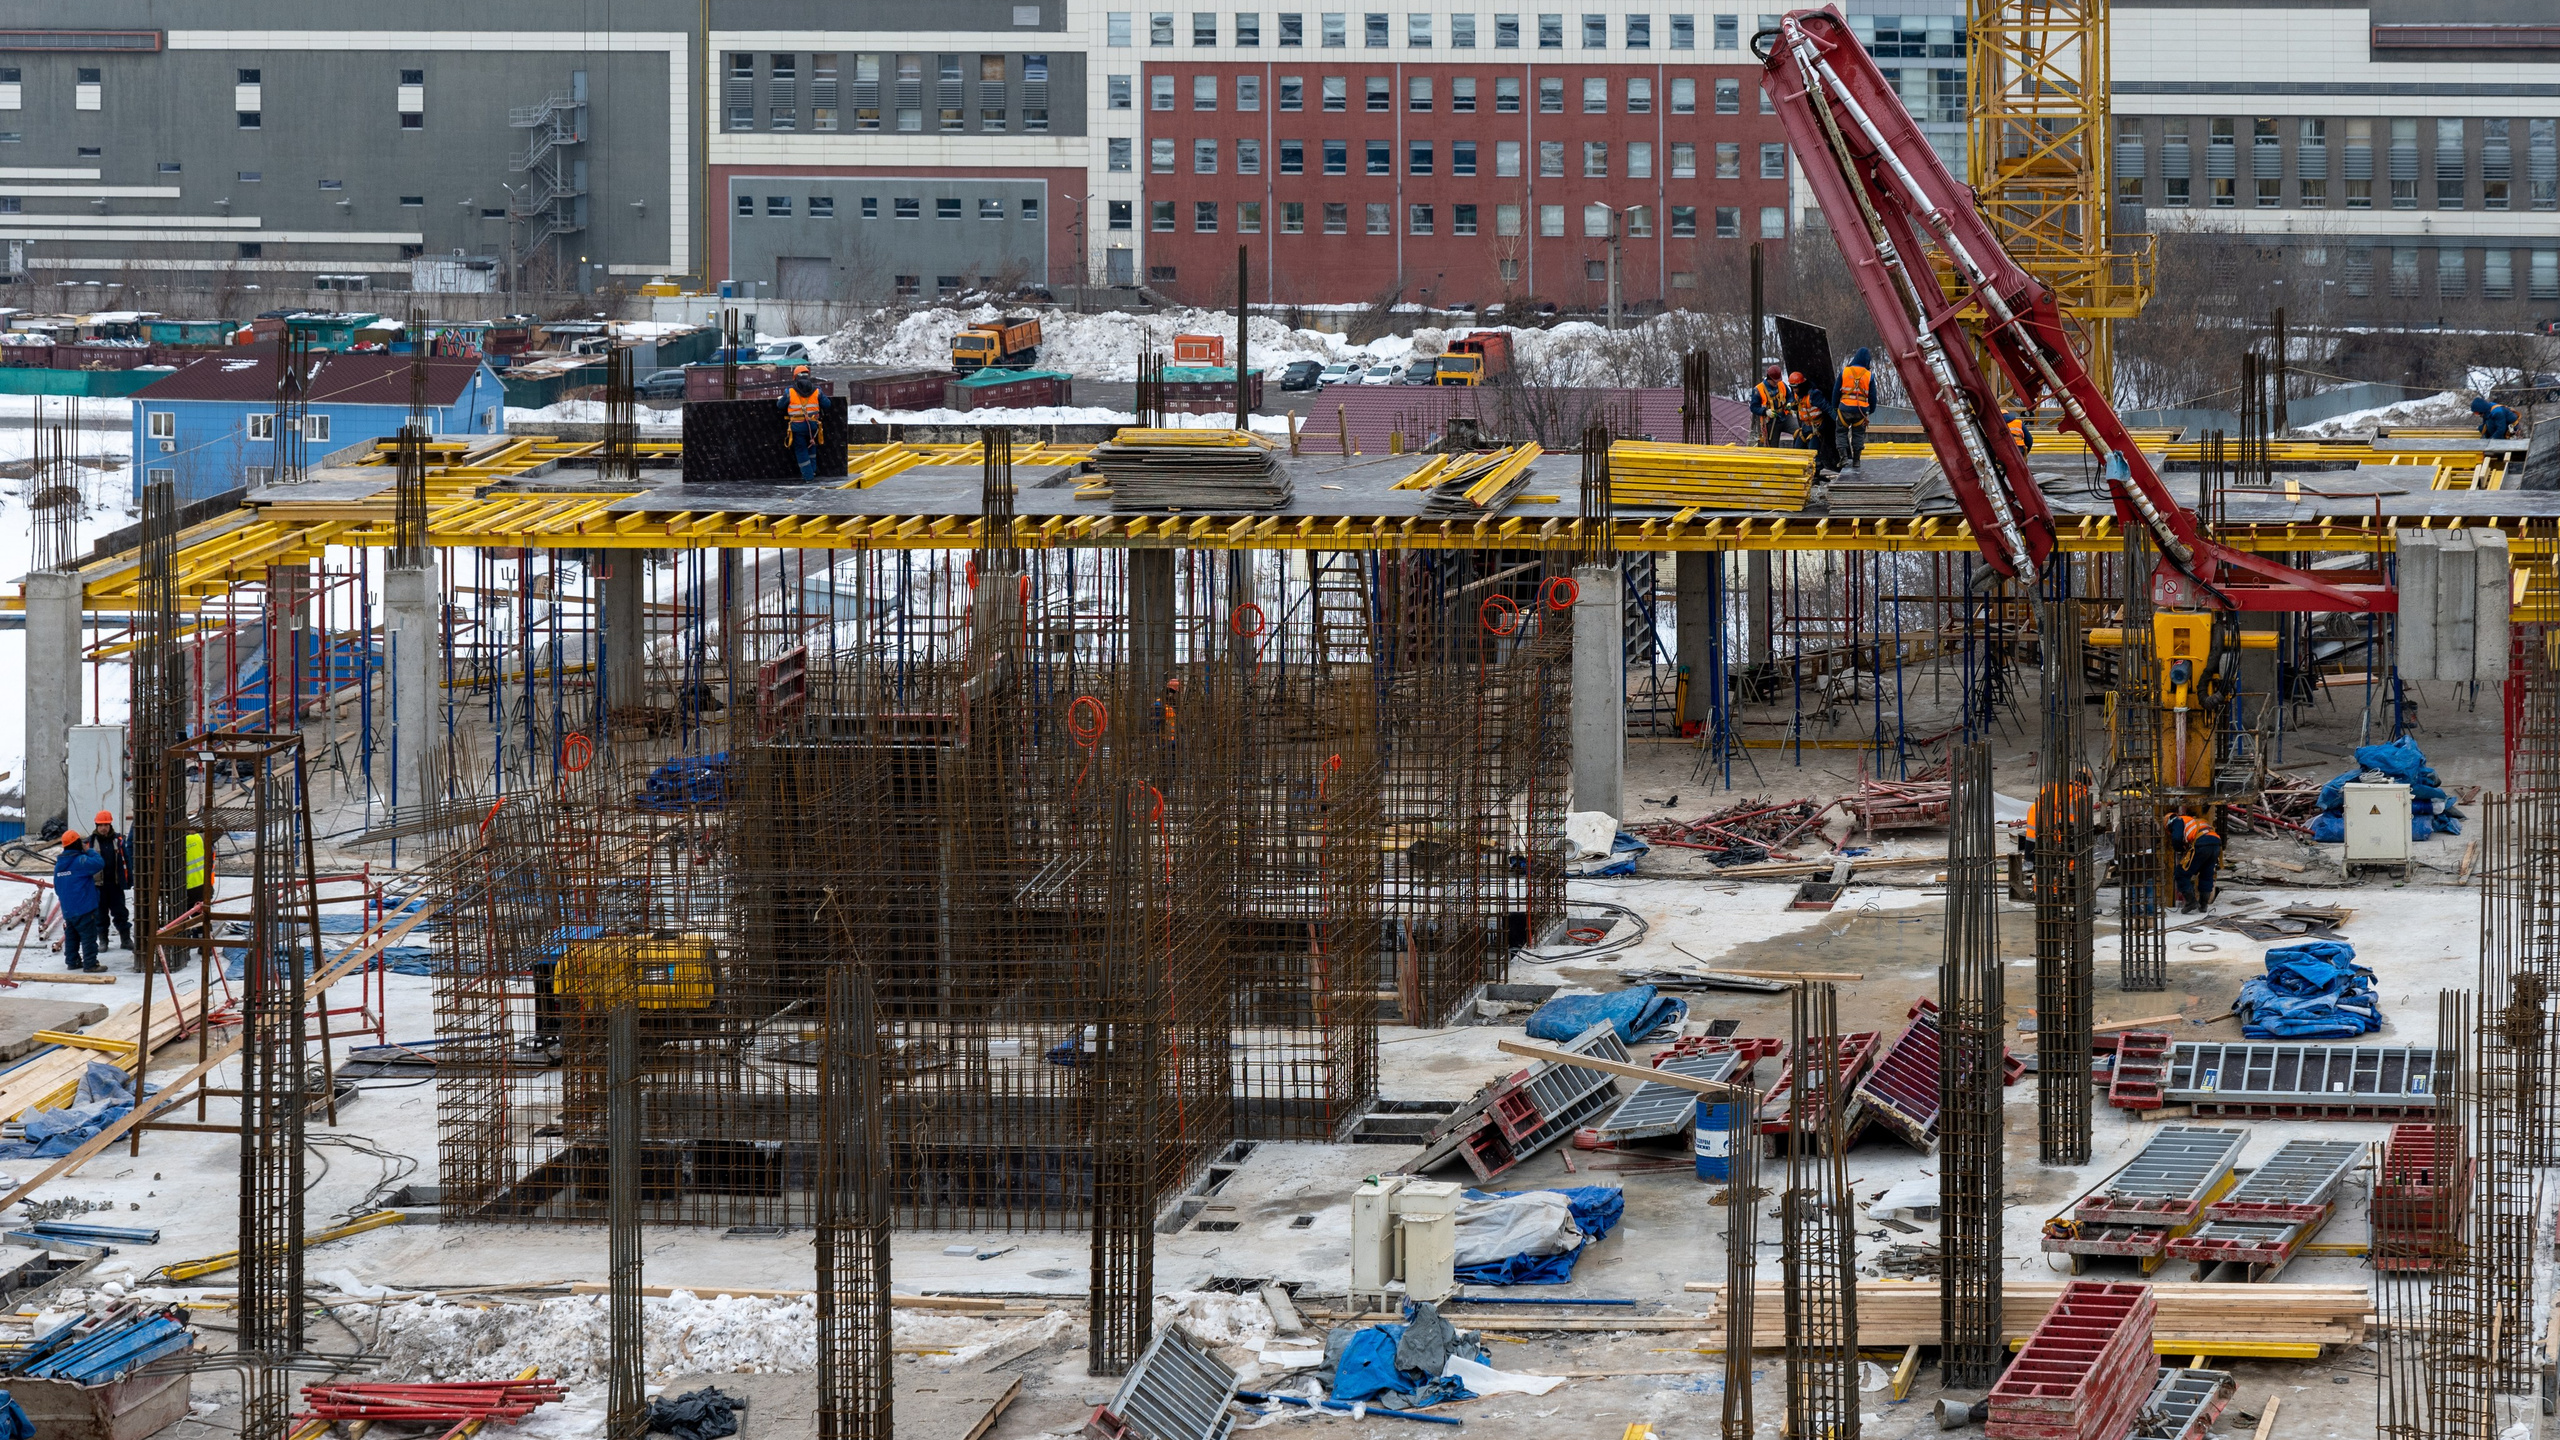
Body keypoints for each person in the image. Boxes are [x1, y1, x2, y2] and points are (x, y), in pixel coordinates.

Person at [52, 832, 105, 974]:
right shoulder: (80, 861)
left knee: (72, 936)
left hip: (68, 909)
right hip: (84, 907)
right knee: (88, 937)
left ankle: (72, 961)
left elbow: (57, 887)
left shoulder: (59, 865)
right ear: (77, 844)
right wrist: (89, 850)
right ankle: (90, 964)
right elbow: (99, 863)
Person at [2165, 808, 2223, 914]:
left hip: (2202, 844)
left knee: (2181, 874)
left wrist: (2179, 849)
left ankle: (2191, 902)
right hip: (2216, 844)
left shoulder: (2177, 820)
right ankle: (2203, 904)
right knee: (2206, 874)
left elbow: (2176, 838)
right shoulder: (2194, 821)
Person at [89, 811, 131, 953]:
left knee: (121, 913)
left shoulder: (118, 841)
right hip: (98, 886)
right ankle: (103, 940)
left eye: (106, 825)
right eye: (101, 825)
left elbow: (126, 861)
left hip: (115, 885)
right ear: (96, 826)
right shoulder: (90, 843)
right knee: (100, 915)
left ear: (110, 825)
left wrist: (128, 880)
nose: (103, 828)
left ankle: (126, 939)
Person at [780, 366, 825, 479]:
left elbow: (780, 405)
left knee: (801, 451)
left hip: (798, 426)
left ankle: (808, 477)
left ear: (795, 377)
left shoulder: (790, 391)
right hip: (813, 425)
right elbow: (827, 404)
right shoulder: (817, 390)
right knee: (811, 447)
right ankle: (813, 471)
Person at [1836, 348, 1874, 468]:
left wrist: (1835, 406)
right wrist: (1871, 409)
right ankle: (1856, 460)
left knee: (1841, 432)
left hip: (1844, 409)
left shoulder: (1845, 371)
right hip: (1860, 411)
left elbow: (1836, 391)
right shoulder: (1869, 375)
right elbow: (1873, 396)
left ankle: (1843, 458)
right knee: (1858, 434)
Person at [1750, 365, 1793, 448]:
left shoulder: (1781, 384)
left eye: (1778, 381)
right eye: (1774, 382)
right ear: (1769, 379)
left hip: (1784, 416)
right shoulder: (1758, 390)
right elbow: (1753, 408)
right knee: (1772, 447)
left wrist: (1789, 403)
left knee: (1799, 432)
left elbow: (1789, 395)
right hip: (1771, 422)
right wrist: (1765, 412)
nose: (1776, 383)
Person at [1790, 373, 1830, 454]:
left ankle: (1818, 461)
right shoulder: (1797, 395)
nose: (1794, 390)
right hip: (1805, 427)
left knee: (1813, 452)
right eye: (1792, 388)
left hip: (1816, 427)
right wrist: (1792, 406)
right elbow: (1796, 405)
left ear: (1801, 386)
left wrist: (1838, 420)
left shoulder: (1814, 395)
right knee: (1797, 449)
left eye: (1795, 388)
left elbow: (1828, 408)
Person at [1151, 675, 1182, 739]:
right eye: (1176, 694)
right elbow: (1156, 725)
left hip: (1172, 739)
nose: (1177, 697)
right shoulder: (1159, 705)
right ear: (1171, 694)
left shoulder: (1171, 706)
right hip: (1163, 740)